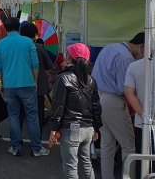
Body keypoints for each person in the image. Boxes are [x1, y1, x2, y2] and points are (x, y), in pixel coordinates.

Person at [91, 32, 145, 179]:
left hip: (97, 99)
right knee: (128, 147)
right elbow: (125, 89)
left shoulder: (110, 47)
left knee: (107, 145)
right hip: (113, 102)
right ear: (142, 47)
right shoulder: (126, 58)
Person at [0, 17, 49, 157]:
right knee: (32, 116)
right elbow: (35, 64)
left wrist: (0, 83)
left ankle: (15, 147)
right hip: (27, 84)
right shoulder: (27, 42)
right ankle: (36, 148)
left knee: (13, 116)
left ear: (5, 29)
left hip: (9, 84)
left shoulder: (0, 44)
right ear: (18, 28)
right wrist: (35, 81)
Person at [49, 44, 101, 179]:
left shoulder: (64, 77)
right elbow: (96, 106)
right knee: (86, 164)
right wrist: (96, 128)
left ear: (69, 57)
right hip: (88, 128)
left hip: (71, 128)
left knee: (71, 168)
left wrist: (54, 127)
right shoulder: (91, 80)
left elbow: (58, 105)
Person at [19, 23, 53, 136]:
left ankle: (17, 141)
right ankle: (37, 140)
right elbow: (49, 65)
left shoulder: (16, 47)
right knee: (37, 113)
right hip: (38, 85)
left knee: (18, 113)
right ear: (35, 35)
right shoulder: (39, 48)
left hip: (19, 83)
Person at [125, 50, 150, 179]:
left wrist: (144, 115)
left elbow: (129, 92)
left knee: (143, 162)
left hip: (143, 123)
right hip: (144, 122)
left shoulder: (135, 66)